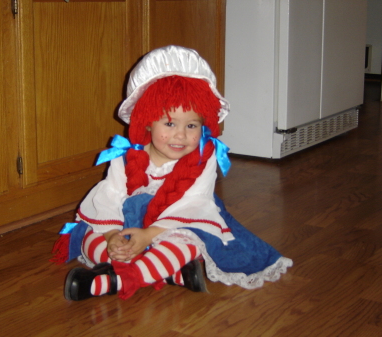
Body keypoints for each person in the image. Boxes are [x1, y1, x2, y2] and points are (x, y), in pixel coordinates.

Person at [51, 45, 293, 301]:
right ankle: (163, 272)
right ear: (147, 121)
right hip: (127, 225)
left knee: (187, 243)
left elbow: (194, 204)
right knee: (92, 235)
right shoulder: (126, 156)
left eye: (191, 125)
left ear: (204, 125)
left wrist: (149, 235)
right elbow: (109, 197)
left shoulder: (204, 158)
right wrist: (112, 237)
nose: (181, 135)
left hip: (176, 222)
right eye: (169, 123)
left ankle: (119, 279)